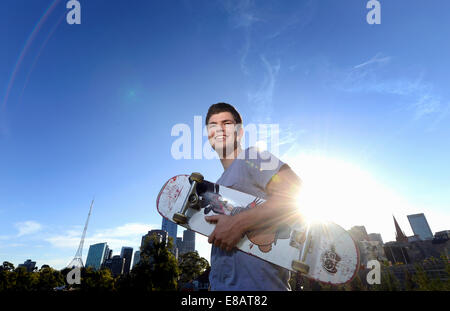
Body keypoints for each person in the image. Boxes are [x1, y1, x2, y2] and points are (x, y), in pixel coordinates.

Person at [204, 102, 302, 291]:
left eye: (226, 123)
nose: (219, 129)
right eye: (212, 125)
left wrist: (238, 223)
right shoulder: (217, 185)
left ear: (239, 132)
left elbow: (295, 192)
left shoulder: (254, 156)